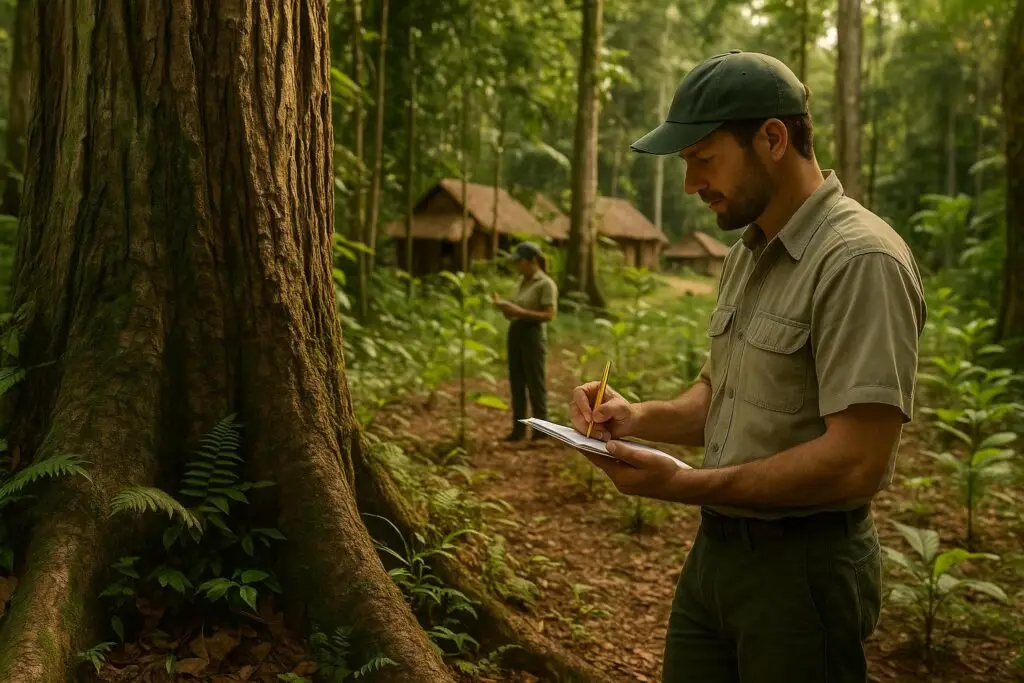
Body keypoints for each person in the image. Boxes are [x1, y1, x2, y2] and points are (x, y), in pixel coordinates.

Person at [569, 50, 927, 683]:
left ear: (772, 138)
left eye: (703, 160)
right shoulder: (749, 253)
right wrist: (637, 417)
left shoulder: (859, 260)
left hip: (803, 575)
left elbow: (856, 462)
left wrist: (684, 484)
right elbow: (725, 391)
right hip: (716, 558)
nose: (690, 185)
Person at [493, 241, 558, 442]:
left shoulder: (545, 284)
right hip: (516, 332)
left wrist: (517, 311)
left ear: (532, 261)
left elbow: (549, 314)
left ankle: (541, 431)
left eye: (519, 262)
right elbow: (517, 309)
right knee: (517, 382)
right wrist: (505, 307)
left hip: (533, 334)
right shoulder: (522, 282)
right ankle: (518, 429)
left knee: (535, 383)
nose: (517, 266)